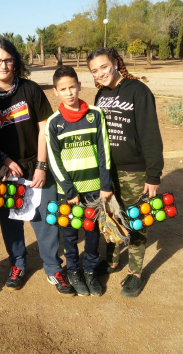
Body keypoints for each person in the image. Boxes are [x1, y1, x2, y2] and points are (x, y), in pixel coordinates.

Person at [0, 39, 75, 296]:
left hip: (38, 165)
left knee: (46, 220)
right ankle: (17, 264)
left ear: (15, 62)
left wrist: (42, 166)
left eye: (8, 59)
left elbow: (45, 128)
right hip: (5, 171)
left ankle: (54, 268)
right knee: (11, 222)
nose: (3, 65)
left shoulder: (30, 89)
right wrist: (5, 161)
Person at [87, 47, 164, 297]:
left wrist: (153, 174)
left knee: (135, 219)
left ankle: (136, 272)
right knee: (111, 216)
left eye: (104, 67)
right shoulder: (100, 95)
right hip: (108, 170)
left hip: (134, 170)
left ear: (115, 64)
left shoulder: (138, 91)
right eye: (94, 71)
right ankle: (112, 261)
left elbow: (150, 134)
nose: (100, 73)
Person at [46, 65, 112, 296]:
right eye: (63, 89)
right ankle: (73, 270)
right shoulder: (54, 123)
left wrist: (106, 185)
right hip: (70, 193)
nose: (69, 92)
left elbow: (104, 151)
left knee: (92, 231)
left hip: (95, 190)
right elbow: (54, 161)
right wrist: (68, 190)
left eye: (72, 87)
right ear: (56, 92)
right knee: (71, 234)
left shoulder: (95, 114)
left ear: (79, 86)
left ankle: (91, 270)